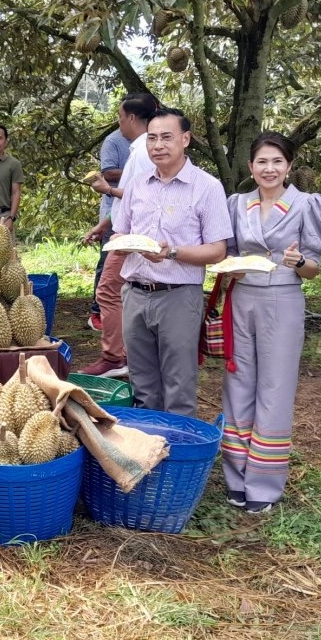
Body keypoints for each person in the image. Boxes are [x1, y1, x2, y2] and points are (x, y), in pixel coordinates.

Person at [220, 132, 321, 514]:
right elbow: (229, 253)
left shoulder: (306, 205)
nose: (269, 169)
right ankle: (235, 477)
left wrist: (299, 263)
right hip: (243, 297)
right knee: (238, 382)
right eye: (262, 162)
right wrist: (230, 269)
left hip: (283, 299)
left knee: (275, 388)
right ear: (251, 167)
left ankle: (263, 484)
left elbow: (315, 268)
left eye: (277, 162)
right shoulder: (237, 203)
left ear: (288, 166)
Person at [111, 108, 230, 416]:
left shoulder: (207, 187)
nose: (158, 145)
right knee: (142, 383)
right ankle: (148, 452)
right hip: (135, 292)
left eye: (167, 137)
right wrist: (121, 245)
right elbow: (120, 232)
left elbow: (217, 250)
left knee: (179, 383)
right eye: (152, 138)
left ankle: (178, 456)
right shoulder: (137, 184)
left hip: (178, 295)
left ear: (185, 139)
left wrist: (172, 252)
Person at [80, 92, 159, 378]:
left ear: (132, 118)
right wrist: (104, 225)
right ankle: (128, 354)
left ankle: (114, 356)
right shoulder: (143, 149)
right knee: (126, 292)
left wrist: (108, 190)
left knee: (108, 290)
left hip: (132, 235)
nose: (119, 123)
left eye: (120, 117)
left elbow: (142, 196)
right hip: (126, 229)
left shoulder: (141, 151)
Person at [86, 124, 133, 331]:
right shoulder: (114, 141)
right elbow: (108, 172)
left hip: (131, 214)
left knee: (126, 265)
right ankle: (97, 312)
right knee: (107, 262)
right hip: (112, 209)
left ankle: (118, 312)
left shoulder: (147, 144)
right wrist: (133, 171)